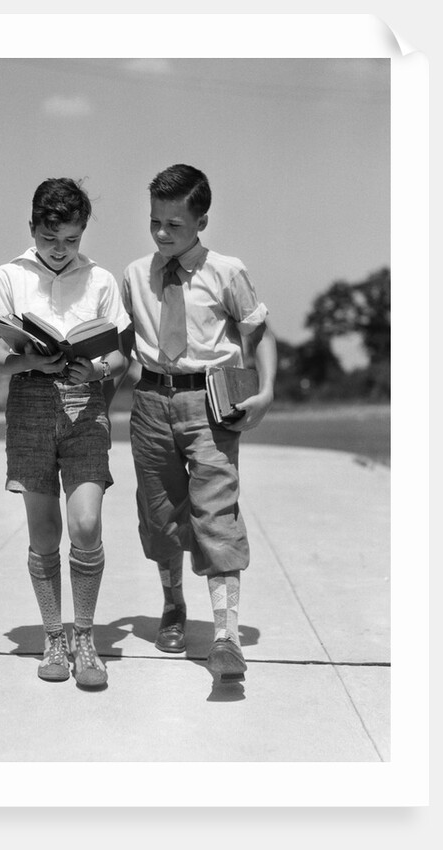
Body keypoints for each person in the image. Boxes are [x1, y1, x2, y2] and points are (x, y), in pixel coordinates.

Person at [121, 163, 276, 684]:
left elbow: (259, 333)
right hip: (150, 402)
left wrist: (267, 392)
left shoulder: (227, 272)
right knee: (160, 516)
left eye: (175, 225)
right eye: (155, 222)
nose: (162, 234)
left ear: (202, 221)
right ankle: (173, 606)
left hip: (210, 403)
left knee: (216, 512)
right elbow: (121, 348)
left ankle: (226, 636)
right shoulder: (134, 275)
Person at [0, 177, 130, 688]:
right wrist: (32, 360)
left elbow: (119, 357)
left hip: (85, 406)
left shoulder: (101, 280)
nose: (61, 249)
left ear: (82, 231)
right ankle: (53, 638)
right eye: (50, 239)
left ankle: (85, 638)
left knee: (85, 524)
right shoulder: (7, 276)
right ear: (32, 228)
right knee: (45, 531)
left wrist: (97, 369)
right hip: (30, 405)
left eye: (71, 239)